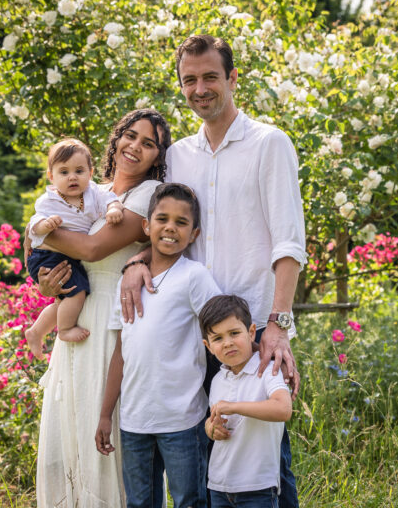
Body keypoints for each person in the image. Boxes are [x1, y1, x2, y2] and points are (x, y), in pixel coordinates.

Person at [120, 35, 306, 507]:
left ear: (232, 78)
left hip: (254, 328)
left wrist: (278, 328)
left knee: (266, 461)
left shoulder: (269, 143)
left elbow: (289, 241)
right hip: (194, 328)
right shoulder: (178, 155)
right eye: (189, 80)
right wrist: (138, 260)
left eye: (210, 77)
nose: (200, 88)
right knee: (212, 456)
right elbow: (166, 225)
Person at [31, 109, 172, 508]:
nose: (135, 147)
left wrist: (38, 236)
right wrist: (48, 282)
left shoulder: (148, 196)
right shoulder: (91, 190)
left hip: (113, 318)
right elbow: (61, 253)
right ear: (116, 139)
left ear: (158, 156)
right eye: (130, 136)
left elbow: (92, 249)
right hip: (78, 310)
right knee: (70, 421)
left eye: (148, 143)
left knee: (104, 422)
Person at [95, 183, 221, 508]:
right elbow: (121, 354)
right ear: (146, 226)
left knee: (190, 502)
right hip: (134, 420)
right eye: (162, 219)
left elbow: (221, 332)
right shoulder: (128, 284)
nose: (170, 227)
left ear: (194, 234)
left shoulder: (194, 277)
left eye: (181, 223)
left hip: (183, 420)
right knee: (140, 503)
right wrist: (106, 414)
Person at [25, 138, 125, 357]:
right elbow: (33, 225)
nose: (72, 177)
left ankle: (36, 331)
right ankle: (65, 329)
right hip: (46, 256)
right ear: (51, 176)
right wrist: (45, 225)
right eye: (64, 172)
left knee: (66, 297)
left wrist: (113, 210)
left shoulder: (94, 193)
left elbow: (111, 199)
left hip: (68, 257)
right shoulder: (48, 200)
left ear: (90, 173)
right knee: (76, 293)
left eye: (79, 171)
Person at [200, 295, 292, 508]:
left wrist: (233, 407)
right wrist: (210, 428)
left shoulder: (268, 370)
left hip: (257, 487)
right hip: (219, 486)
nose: (228, 343)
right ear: (208, 346)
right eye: (218, 338)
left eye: (234, 333)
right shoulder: (217, 380)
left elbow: (283, 409)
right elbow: (215, 421)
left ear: (251, 332)